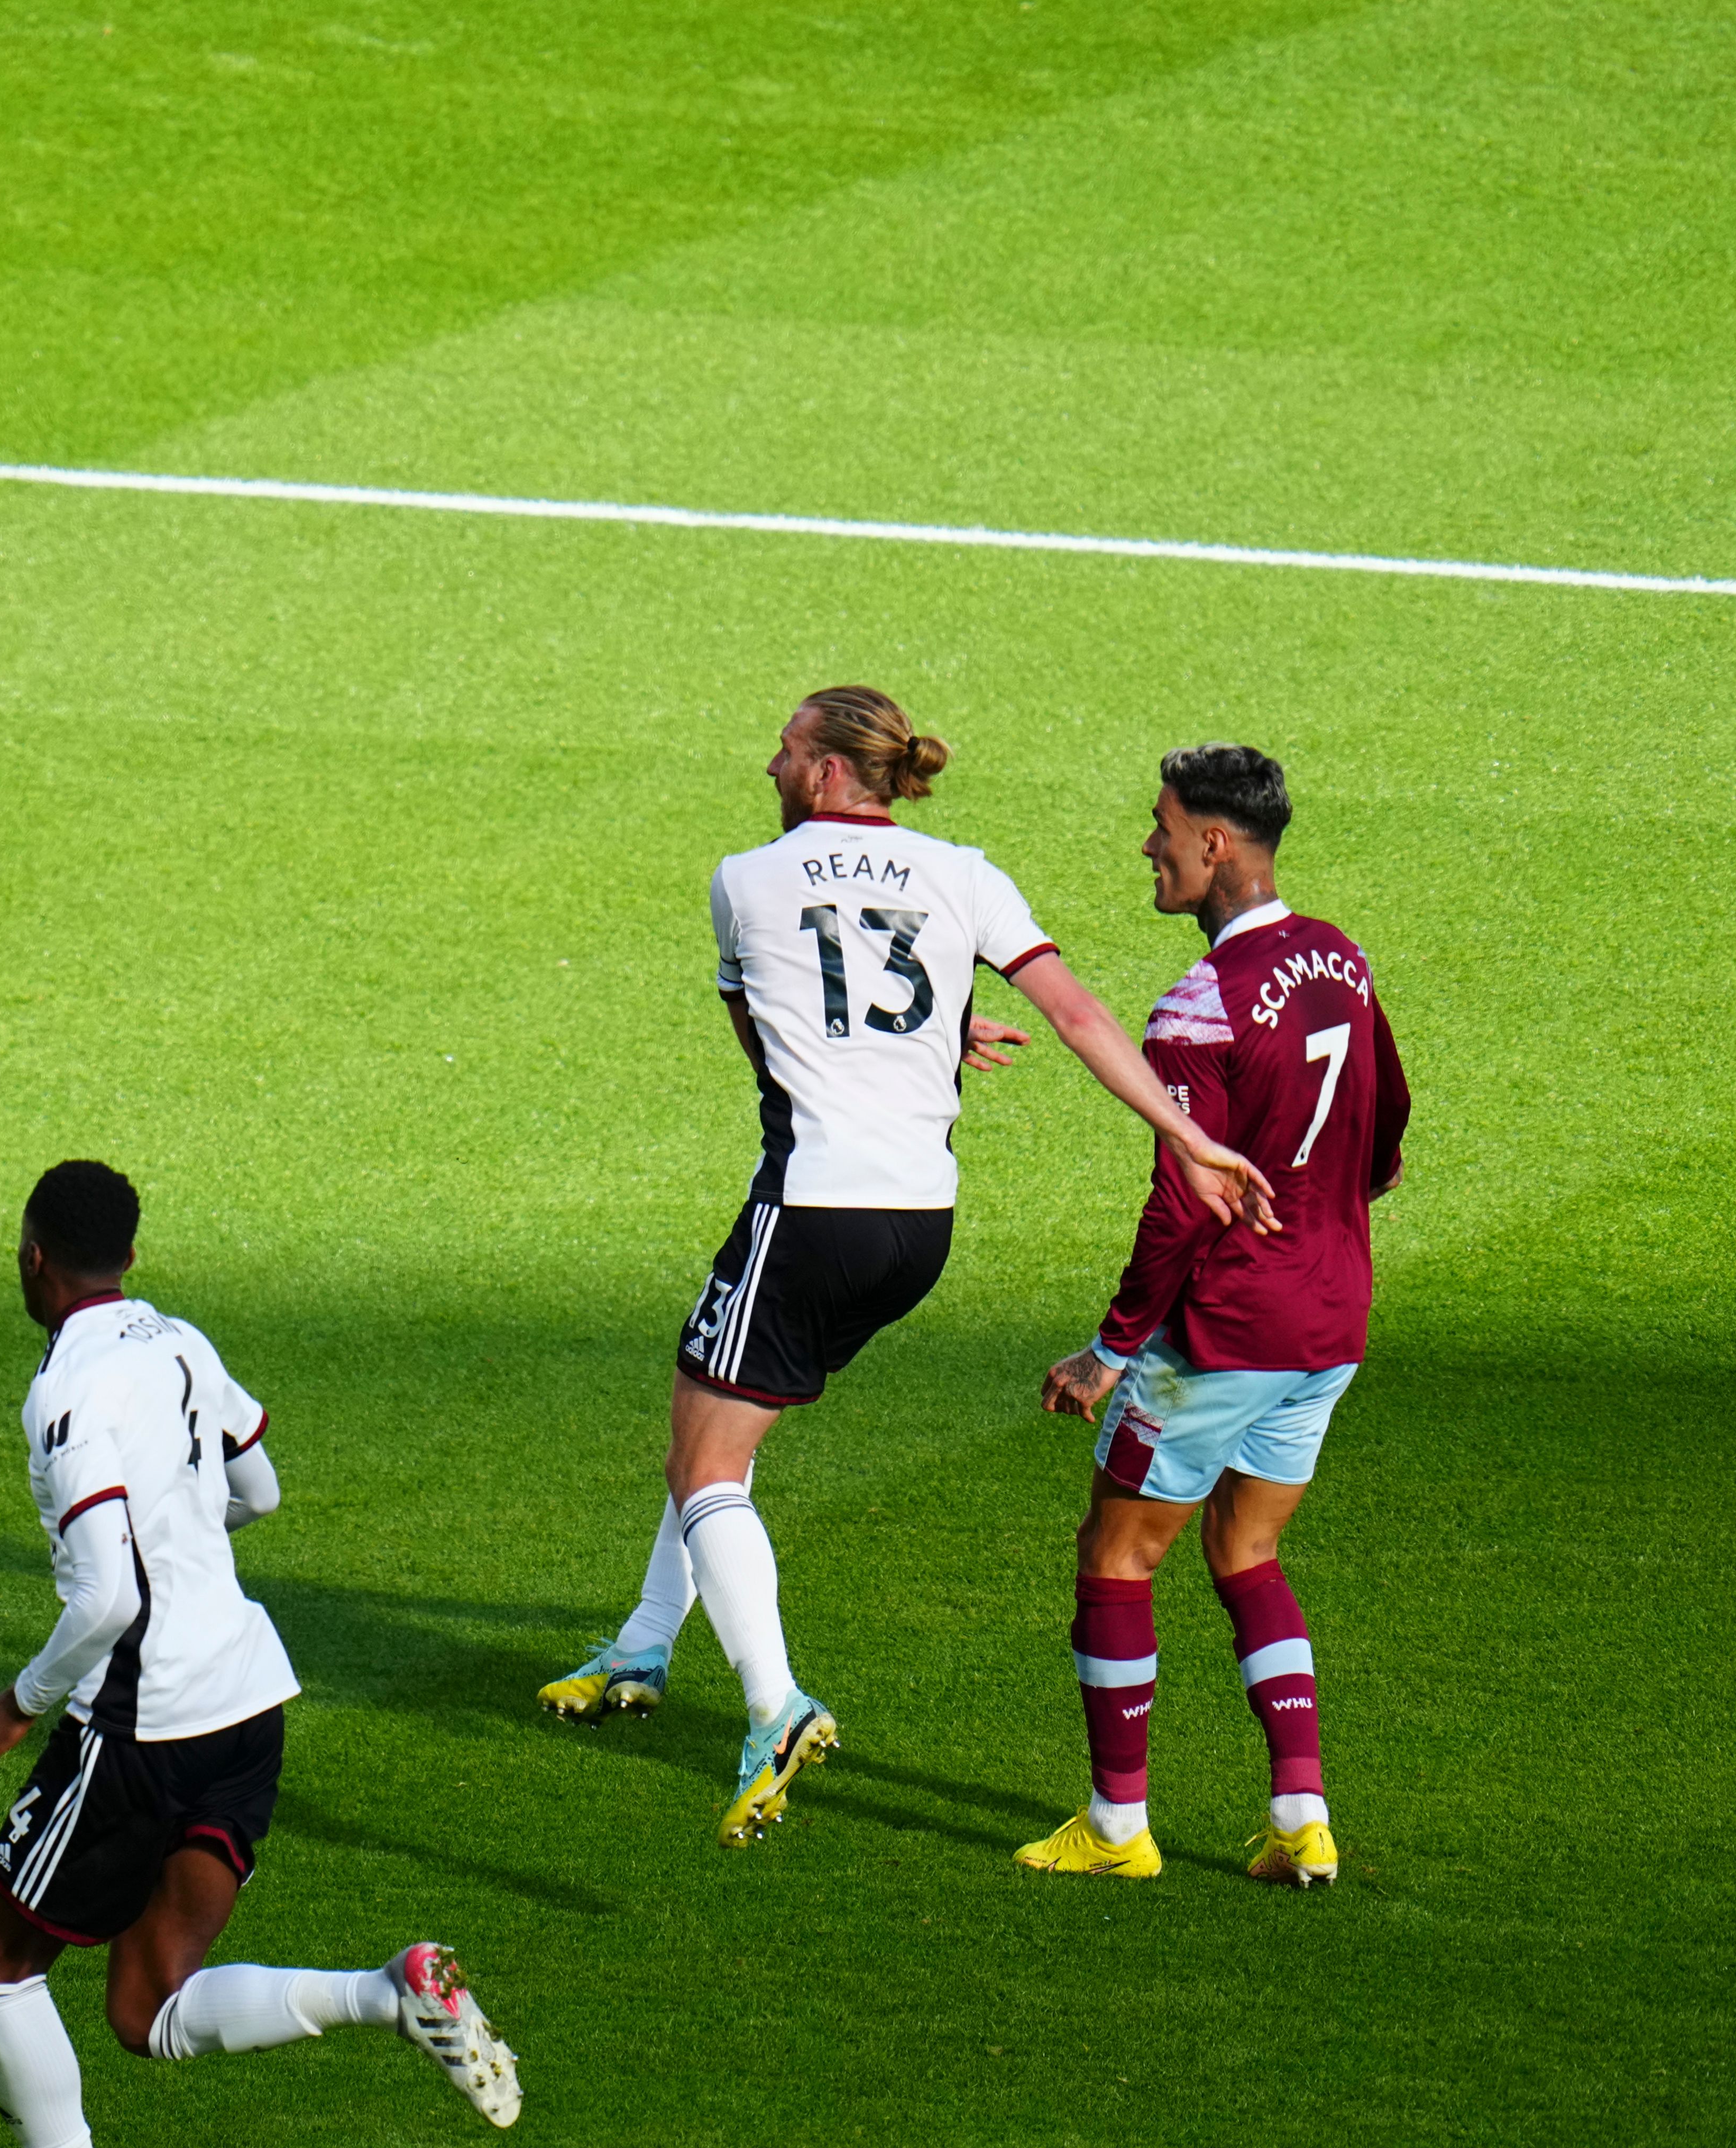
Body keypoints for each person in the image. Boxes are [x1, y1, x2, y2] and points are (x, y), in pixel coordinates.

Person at [535, 687, 1281, 1843]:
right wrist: (1185, 1133)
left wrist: (907, 1044)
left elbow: (768, 1042)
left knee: (705, 1461)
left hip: (814, 1203)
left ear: (832, 770)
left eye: (786, 748)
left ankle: (774, 1707)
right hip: (918, 1225)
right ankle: (641, 1648)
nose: (770, 762)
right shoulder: (964, 870)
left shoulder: (746, 877)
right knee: (716, 1418)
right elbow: (1079, 1016)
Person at [0, 1160, 522, 2148]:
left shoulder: (64, 1394)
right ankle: (389, 1991)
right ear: (130, 1257)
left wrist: (17, 1702)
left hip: (143, 1724)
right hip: (250, 1699)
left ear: (33, 1257)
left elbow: (107, 1595)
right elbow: (257, 1483)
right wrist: (182, 1533)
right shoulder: (178, 1343)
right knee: (146, 2007)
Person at [1017, 745, 1406, 1887]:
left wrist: (1109, 1348)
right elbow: (1390, 1111)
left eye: (1164, 827)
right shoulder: (1342, 955)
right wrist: (1341, 1197)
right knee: (1250, 1545)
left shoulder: (1199, 1005)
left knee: (1120, 1552)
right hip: (1332, 1318)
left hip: (1228, 1330)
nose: (1151, 846)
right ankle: (1301, 1819)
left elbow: (1179, 1202)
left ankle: (1117, 1825)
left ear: (1216, 845)